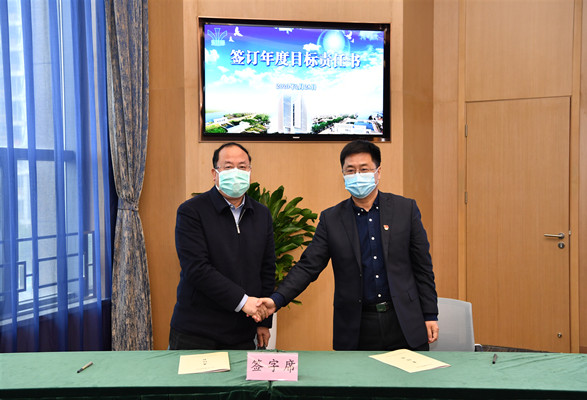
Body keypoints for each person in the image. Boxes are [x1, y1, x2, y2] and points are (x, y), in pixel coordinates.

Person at [259, 140, 439, 351]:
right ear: (343, 174)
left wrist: (430, 314)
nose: (357, 175)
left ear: (378, 172)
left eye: (364, 169)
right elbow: (308, 266)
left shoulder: (405, 209)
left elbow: (422, 267)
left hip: (404, 321)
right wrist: (277, 299)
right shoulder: (331, 219)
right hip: (357, 326)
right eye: (350, 170)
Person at [169, 142, 275, 350]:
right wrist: (243, 302)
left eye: (242, 167)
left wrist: (264, 321)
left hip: (243, 331)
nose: (236, 172)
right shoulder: (192, 211)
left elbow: (267, 268)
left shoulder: (262, 214)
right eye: (228, 167)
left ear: (250, 172)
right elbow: (197, 269)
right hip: (196, 331)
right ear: (214, 173)